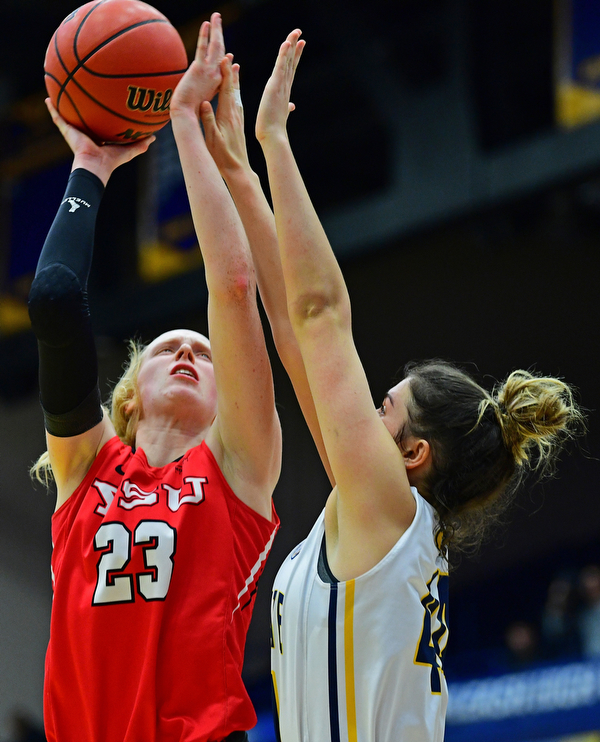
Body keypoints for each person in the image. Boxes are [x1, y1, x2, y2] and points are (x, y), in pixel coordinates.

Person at [233, 30, 580, 741]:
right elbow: (295, 334)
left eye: (382, 405)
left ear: (414, 452)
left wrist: (275, 141)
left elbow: (320, 313)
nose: (361, 407)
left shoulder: (386, 507)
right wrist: (238, 170)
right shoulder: (375, 516)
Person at [28, 14, 281, 742]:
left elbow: (234, 287)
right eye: (169, 346)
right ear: (129, 395)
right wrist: (91, 164)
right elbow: (53, 300)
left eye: (204, 354)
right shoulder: (87, 468)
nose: (190, 354)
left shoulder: (238, 470)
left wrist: (185, 130)